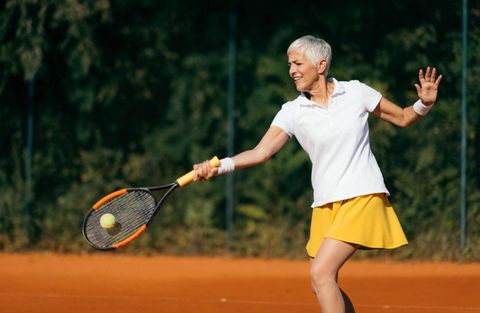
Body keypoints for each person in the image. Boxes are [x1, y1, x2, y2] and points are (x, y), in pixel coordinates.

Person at [192, 35, 442, 312]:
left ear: (321, 65)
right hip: (325, 203)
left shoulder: (356, 92)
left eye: (298, 63)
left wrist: (424, 104)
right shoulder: (292, 111)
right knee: (321, 281)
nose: (291, 71)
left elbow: (403, 117)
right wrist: (217, 166)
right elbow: (260, 152)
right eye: (289, 65)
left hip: (362, 195)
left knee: (320, 274)